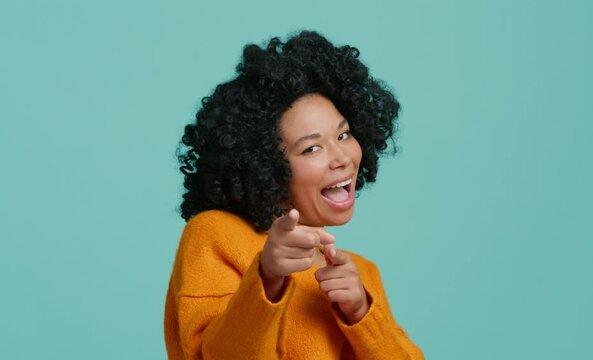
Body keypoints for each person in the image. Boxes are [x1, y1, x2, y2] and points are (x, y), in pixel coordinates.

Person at [164, 29, 425, 360]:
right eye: (312, 147)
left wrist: (361, 315)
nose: (342, 157)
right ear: (264, 165)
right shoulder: (216, 235)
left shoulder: (361, 275)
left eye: (343, 134)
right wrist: (268, 278)